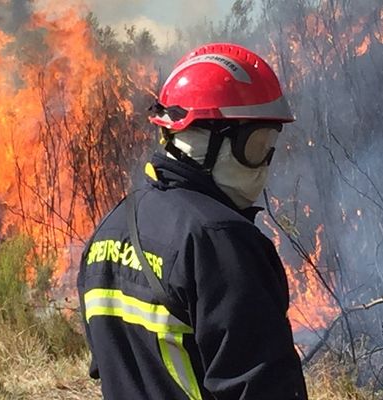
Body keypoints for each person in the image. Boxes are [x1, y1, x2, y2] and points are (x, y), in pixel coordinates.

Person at [77, 43, 308, 400]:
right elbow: (263, 387)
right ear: (203, 141)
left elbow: (108, 367)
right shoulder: (220, 240)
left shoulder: (111, 228)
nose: (265, 165)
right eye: (257, 145)